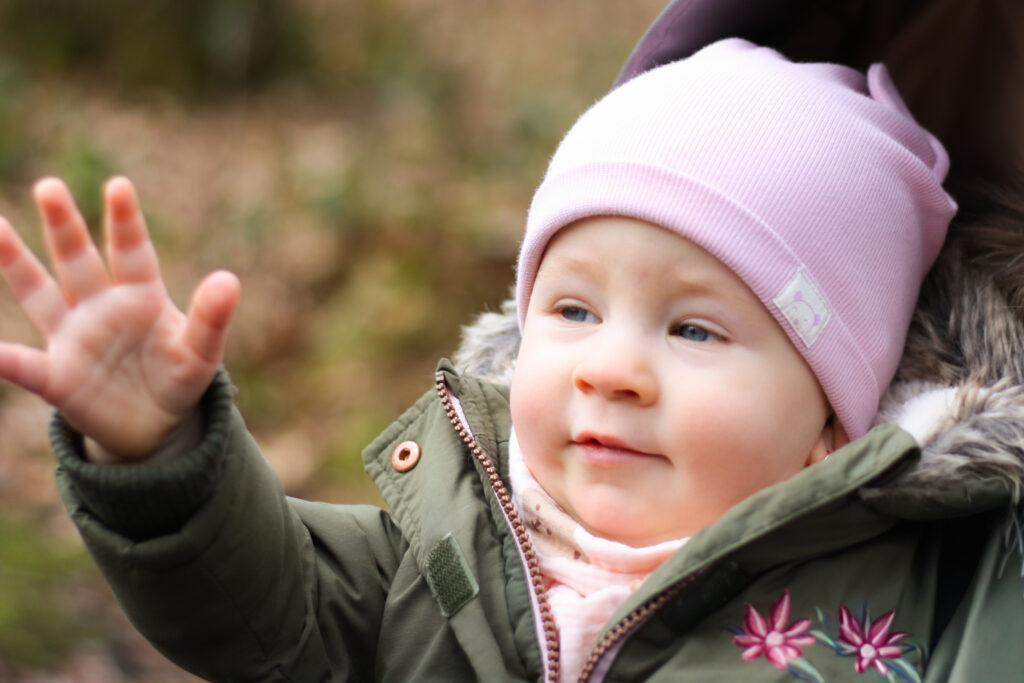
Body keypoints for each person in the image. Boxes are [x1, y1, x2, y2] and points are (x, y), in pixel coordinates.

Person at [0, 38, 1021, 682]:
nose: (609, 368)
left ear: (831, 423)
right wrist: (158, 453)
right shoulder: (445, 547)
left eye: (694, 329)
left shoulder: (926, 606)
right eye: (572, 309)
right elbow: (268, 611)